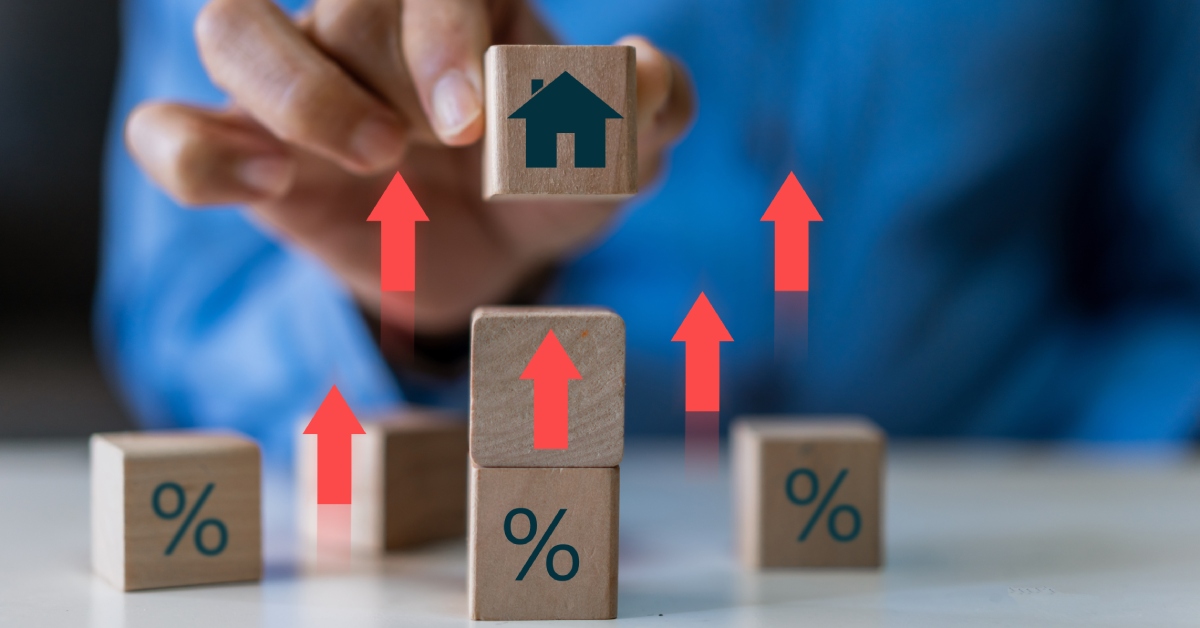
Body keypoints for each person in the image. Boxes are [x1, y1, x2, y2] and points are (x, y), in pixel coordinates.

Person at [100, 0, 1200, 461]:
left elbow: (1173, 282)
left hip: (1016, 525)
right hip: (493, 534)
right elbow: (184, 325)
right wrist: (415, 307)